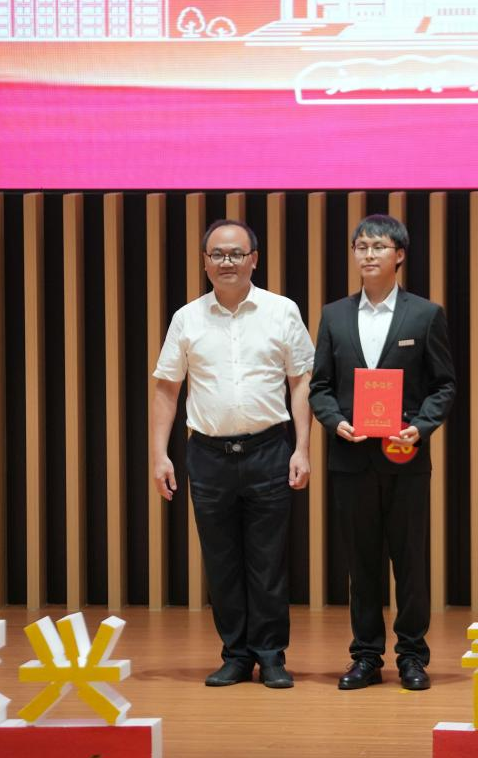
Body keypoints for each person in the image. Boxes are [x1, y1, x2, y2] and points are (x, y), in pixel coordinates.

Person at [151, 219, 314, 689]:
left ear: (254, 260)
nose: (227, 262)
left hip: (269, 449)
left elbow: (301, 380)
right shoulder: (187, 318)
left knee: (268, 561)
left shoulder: (282, 311)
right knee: (221, 561)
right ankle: (236, 656)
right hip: (208, 454)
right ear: (205, 261)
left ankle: (272, 655)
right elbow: (167, 388)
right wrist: (159, 455)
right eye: (218, 254)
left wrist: (302, 447)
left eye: (236, 253)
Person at [309, 214, 456, 691]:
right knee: (362, 563)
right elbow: (320, 386)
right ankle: (366, 657)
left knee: (410, 563)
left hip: (405, 458)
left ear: (400, 255)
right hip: (351, 460)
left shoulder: (425, 314)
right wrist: (335, 421)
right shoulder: (334, 315)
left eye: (378, 247)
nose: (368, 254)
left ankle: (412, 656)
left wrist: (421, 427)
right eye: (361, 247)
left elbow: (444, 385)